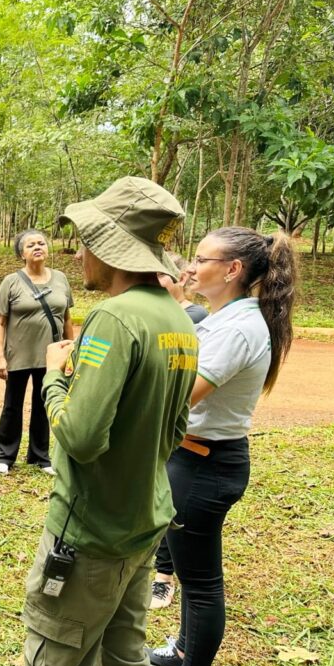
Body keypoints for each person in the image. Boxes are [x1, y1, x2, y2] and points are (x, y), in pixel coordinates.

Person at [11, 176, 199, 666]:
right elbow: (176, 428)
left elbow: (83, 438)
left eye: (87, 239)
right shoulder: (178, 321)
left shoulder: (113, 320)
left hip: (87, 538)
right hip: (141, 529)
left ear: (112, 247)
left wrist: (53, 378)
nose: (80, 252)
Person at [148, 228, 297, 666]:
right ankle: (184, 650)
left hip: (205, 463)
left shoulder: (237, 328)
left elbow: (180, 396)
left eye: (201, 258)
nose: (192, 266)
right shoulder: (228, 317)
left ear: (232, 270)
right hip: (196, 459)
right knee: (192, 573)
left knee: (203, 581)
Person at [149, 251, 208, 610]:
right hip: (157, 418)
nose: (157, 284)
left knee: (173, 502)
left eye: (163, 277)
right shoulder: (158, 316)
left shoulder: (195, 317)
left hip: (180, 420)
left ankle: (164, 578)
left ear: (180, 279)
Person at [0, 229, 75, 477]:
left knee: (44, 404)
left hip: (52, 355)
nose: (37, 247)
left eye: (41, 243)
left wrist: (71, 349)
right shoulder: (12, 281)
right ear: (22, 253)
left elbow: (67, 317)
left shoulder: (60, 279)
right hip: (19, 353)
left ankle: (40, 455)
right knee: (12, 405)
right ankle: (4, 455)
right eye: (30, 245)